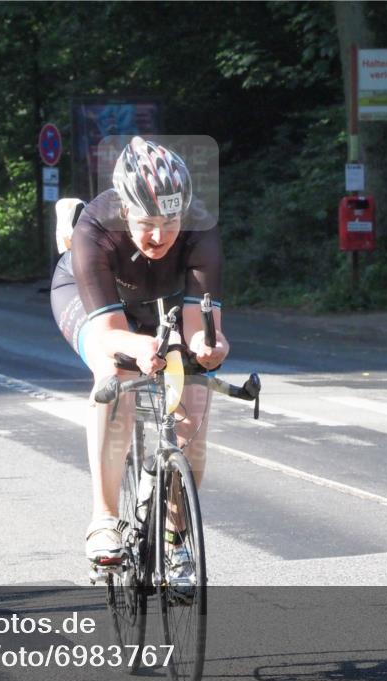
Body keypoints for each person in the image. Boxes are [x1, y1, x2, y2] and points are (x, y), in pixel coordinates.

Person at [50, 137, 229, 579]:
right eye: (147, 222)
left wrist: (210, 348)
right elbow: (111, 335)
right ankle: (104, 522)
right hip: (92, 298)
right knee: (115, 379)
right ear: (125, 210)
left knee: (195, 401)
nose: (158, 236)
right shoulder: (96, 227)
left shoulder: (200, 229)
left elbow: (200, 328)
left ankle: (175, 539)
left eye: (169, 223)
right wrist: (140, 347)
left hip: (159, 301)